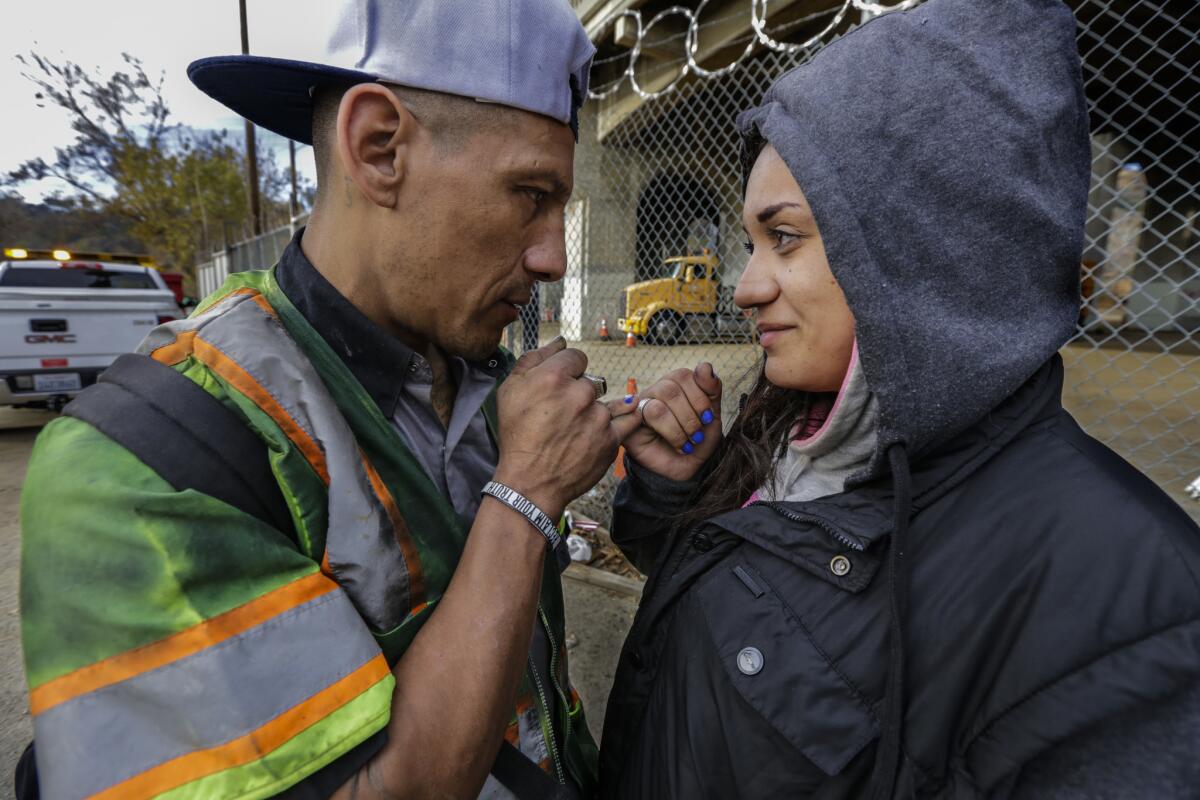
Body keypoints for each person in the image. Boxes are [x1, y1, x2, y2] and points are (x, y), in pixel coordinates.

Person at [17, 1, 642, 798]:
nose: (554, 254)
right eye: (529, 194)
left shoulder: (483, 383)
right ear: (379, 148)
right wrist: (524, 500)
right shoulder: (143, 462)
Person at [599, 0, 1200, 797]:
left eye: (785, 238)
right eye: (750, 243)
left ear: (920, 242)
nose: (745, 287)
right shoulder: (791, 426)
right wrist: (676, 491)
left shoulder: (1137, 611)